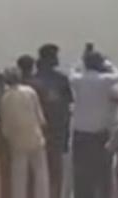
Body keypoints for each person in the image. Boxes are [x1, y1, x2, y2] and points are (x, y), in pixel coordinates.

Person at [70, 46, 118, 198]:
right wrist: (108, 63)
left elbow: (72, 72)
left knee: (80, 172)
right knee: (101, 171)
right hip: (99, 134)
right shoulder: (105, 81)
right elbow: (117, 75)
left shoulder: (78, 80)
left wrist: (81, 61)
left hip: (80, 133)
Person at [33, 44, 74, 198]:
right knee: (55, 171)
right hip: (55, 131)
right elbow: (67, 105)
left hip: (40, 131)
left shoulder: (33, 80)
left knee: (39, 170)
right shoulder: (61, 80)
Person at [1, 68, 49, 198]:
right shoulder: (30, 91)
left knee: (18, 176)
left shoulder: (5, 98)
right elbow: (40, 118)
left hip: (17, 141)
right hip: (35, 136)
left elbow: (6, 126)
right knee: (40, 173)